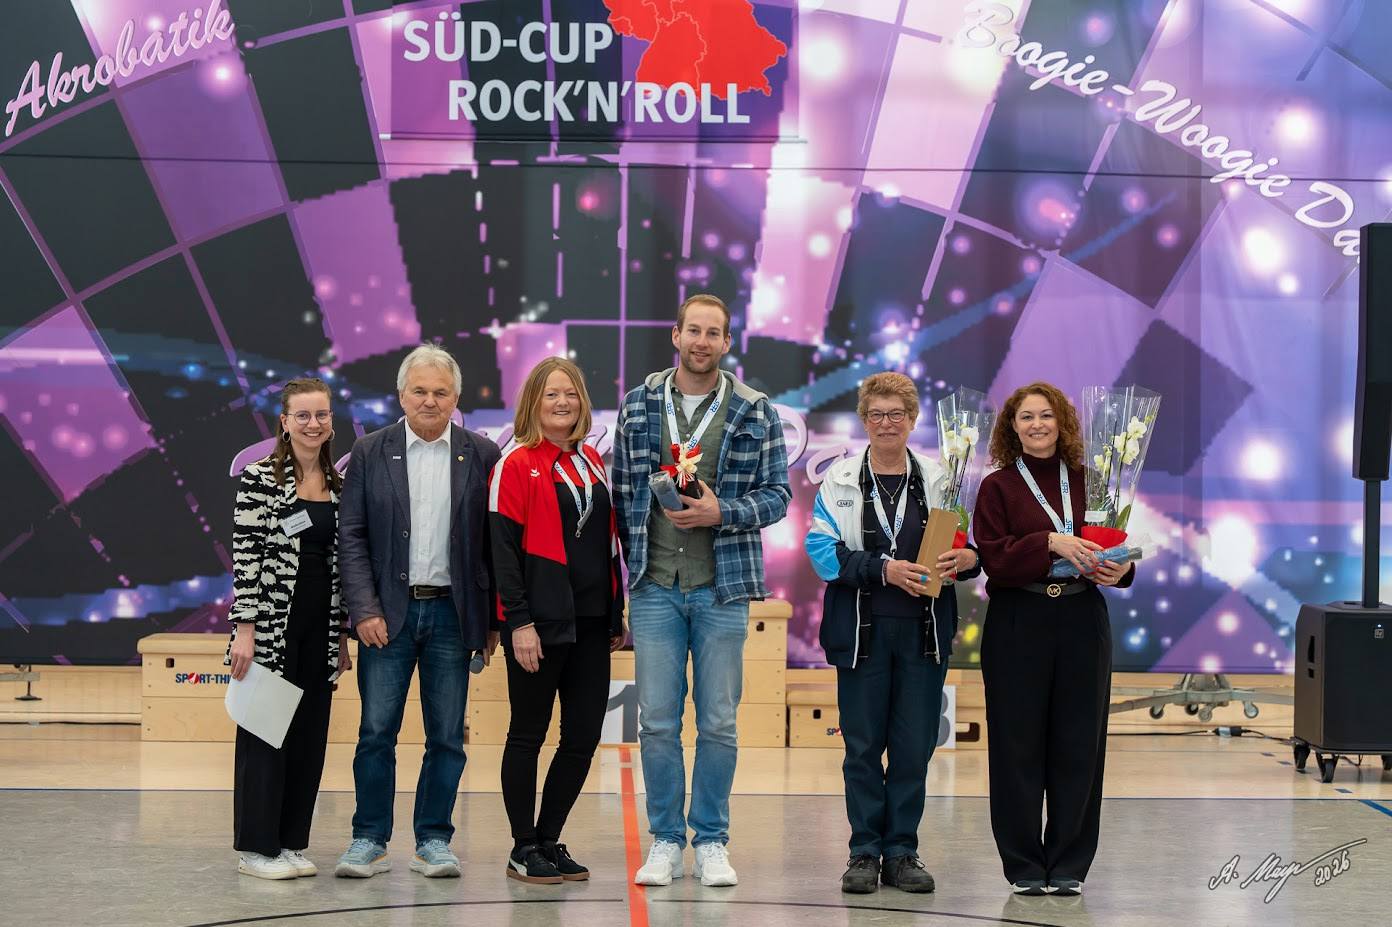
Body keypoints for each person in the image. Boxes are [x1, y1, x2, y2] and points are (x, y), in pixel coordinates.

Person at [612, 293, 791, 887]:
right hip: (655, 587)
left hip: (723, 589)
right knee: (658, 723)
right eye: (694, 330)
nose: (702, 342)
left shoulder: (755, 409)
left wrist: (723, 513)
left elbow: (778, 496)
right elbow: (622, 494)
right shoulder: (638, 404)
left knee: (718, 723)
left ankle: (711, 840)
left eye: (714, 333)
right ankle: (665, 840)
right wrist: (628, 574)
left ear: (727, 343)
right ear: (676, 334)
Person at [805, 372, 981, 895]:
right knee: (862, 748)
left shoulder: (941, 479)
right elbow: (822, 554)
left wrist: (970, 560)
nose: (887, 423)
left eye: (897, 414)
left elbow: (968, 549)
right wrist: (883, 570)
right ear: (864, 420)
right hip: (861, 635)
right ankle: (863, 851)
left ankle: (902, 851)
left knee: (913, 748)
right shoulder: (838, 481)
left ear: (912, 420)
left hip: (924, 635)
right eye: (877, 414)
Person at [335, 344, 502, 879]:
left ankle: (433, 840)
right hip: (386, 618)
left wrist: (491, 621)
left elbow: (495, 546)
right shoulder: (369, 451)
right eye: (420, 391)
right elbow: (351, 536)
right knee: (375, 733)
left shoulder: (483, 454)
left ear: (456, 398)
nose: (430, 401)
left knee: (447, 737)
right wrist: (363, 609)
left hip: (454, 616)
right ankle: (368, 839)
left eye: (441, 392)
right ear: (402, 395)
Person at [972, 381, 1134, 897]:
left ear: (1062, 422)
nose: (1037, 424)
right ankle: (1022, 862)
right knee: (1016, 744)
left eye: (1046, 415)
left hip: (1083, 618)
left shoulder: (1095, 481)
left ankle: (1069, 863)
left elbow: (1116, 549)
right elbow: (995, 559)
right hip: (1019, 619)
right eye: (1026, 416)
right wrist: (1049, 541)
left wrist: (1122, 570)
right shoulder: (997, 487)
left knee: (1079, 744)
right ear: (1012, 428)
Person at [488, 357, 627, 884]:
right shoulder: (515, 462)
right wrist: (518, 622)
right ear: (533, 403)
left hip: (591, 622)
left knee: (582, 736)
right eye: (551, 394)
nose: (562, 402)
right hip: (539, 625)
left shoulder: (591, 459)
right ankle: (522, 845)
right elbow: (502, 553)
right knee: (527, 735)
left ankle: (548, 839)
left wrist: (614, 611)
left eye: (570, 393)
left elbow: (605, 543)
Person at [226, 377, 350, 879]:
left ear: (331, 422)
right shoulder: (259, 479)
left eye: (321, 415)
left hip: (321, 628)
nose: (312, 424)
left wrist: (341, 636)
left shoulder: (340, 485)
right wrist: (246, 628)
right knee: (265, 735)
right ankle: (256, 849)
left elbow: (344, 564)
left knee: (308, 738)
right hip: (272, 628)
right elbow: (246, 557)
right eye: (302, 415)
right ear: (284, 422)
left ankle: (291, 843)